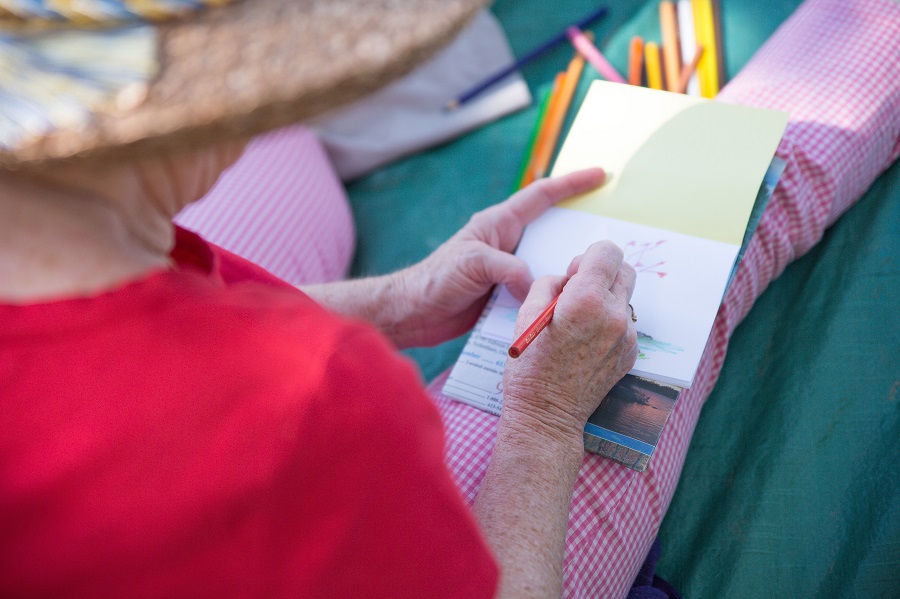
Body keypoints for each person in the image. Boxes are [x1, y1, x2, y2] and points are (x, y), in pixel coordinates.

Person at [2, 1, 898, 599]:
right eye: (252, 82)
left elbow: (131, 339)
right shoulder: (307, 401)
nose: (249, 115)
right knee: (713, 205)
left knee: (280, 151)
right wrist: (546, 420)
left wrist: (391, 302)